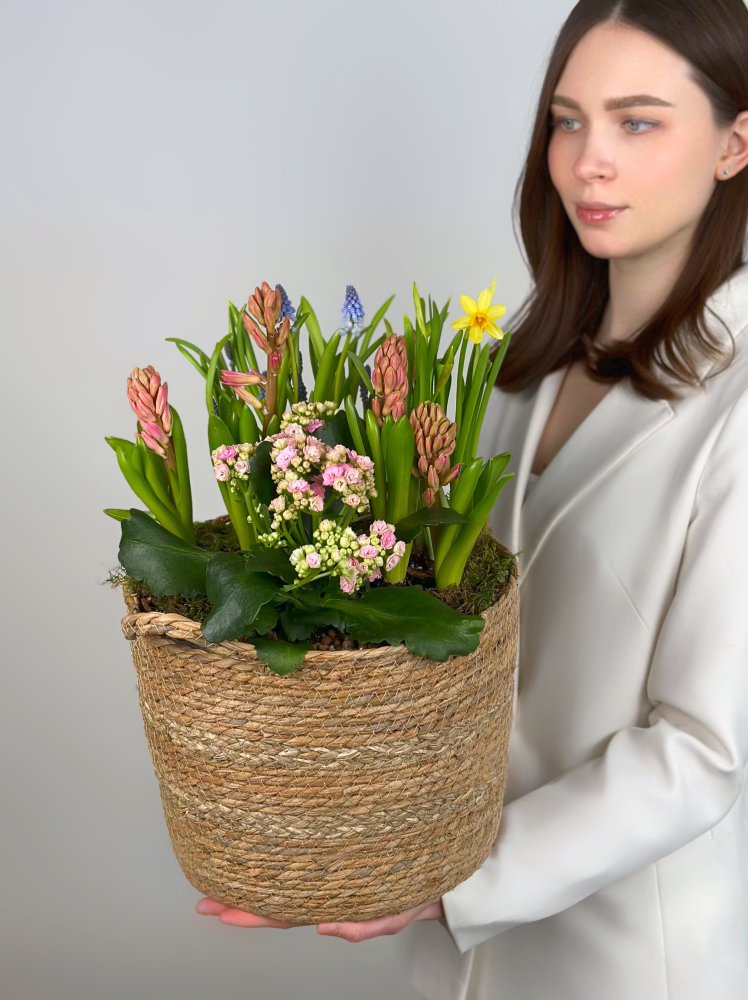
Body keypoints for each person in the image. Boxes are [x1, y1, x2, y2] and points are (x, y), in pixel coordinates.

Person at [196, 1, 748, 997]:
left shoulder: (737, 402)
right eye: (567, 121)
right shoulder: (515, 365)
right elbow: (448, 625)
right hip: (451, 948)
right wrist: (335, 821)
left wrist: (453, 882)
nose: (588, 162)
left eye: (637, 121)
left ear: (734, 145)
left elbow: (704, 749)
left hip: (622, 952)